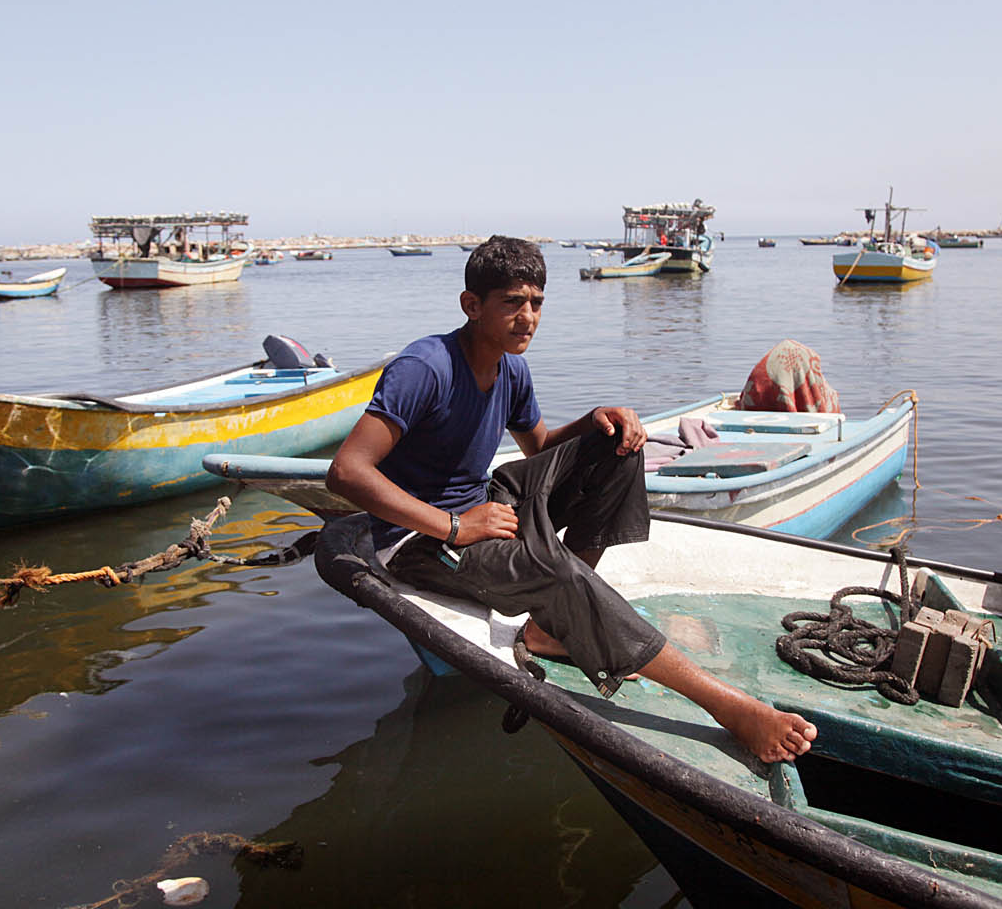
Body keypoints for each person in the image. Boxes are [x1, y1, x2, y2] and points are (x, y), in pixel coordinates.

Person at [326, 235, 815, 763]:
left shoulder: (511, 369)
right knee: (553, 571)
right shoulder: (427, 367)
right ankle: (729, 708)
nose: (528, 317)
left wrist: (597, 420)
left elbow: (539, 449)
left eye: (536, 303)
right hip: (418, 539)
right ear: (472, 306)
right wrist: (453, 527)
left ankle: (550, 626)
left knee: (619, 450)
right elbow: (347, 472)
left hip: (484, 504)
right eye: (512, 303)